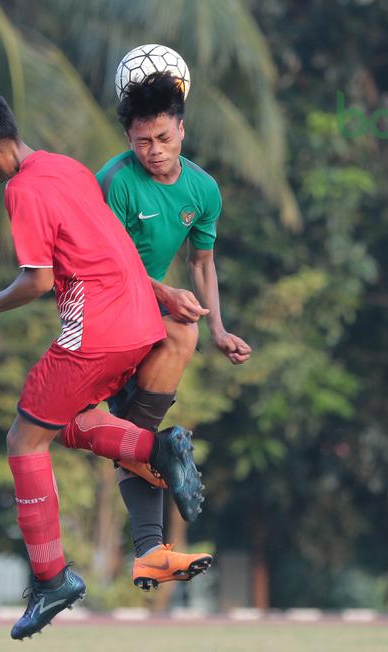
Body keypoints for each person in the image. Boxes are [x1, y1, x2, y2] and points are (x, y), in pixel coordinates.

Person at [0, 92, 205, 640]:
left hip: (97, 326)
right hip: (140, 317)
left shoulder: (21, 189)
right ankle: (159, 449)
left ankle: (52, 577)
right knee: (65, 421)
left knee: (22, 440)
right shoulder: (63, 165)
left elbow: (37, 280)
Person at [97, 73, 252, 591]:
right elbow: (105, 268)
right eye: (143, 142)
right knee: (179, 331)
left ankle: (150, 548)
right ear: (128, 140)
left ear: (181, 131)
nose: (154, 151)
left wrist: (220, 328)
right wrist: (166, 295)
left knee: (134, 430)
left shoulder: (203, 189)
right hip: (97, 307)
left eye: (163, 139)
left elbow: (202, 262)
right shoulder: (115, 182)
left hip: (148, 310)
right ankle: (157, 447)